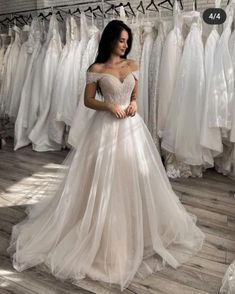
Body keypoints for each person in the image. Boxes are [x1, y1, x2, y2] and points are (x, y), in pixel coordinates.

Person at [8, 20, 205, 291]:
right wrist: (109, 106)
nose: (125, 45)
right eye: (121, 40)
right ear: (110, 39)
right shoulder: (96, 68)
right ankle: (102, 234)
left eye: (127, 41)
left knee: (134, 178)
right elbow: (88, 100)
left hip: (132, 129)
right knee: (103, 182)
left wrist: (134, 103)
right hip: (105, 128)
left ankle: (138, 228)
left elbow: (134, 92)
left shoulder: (132, 64)